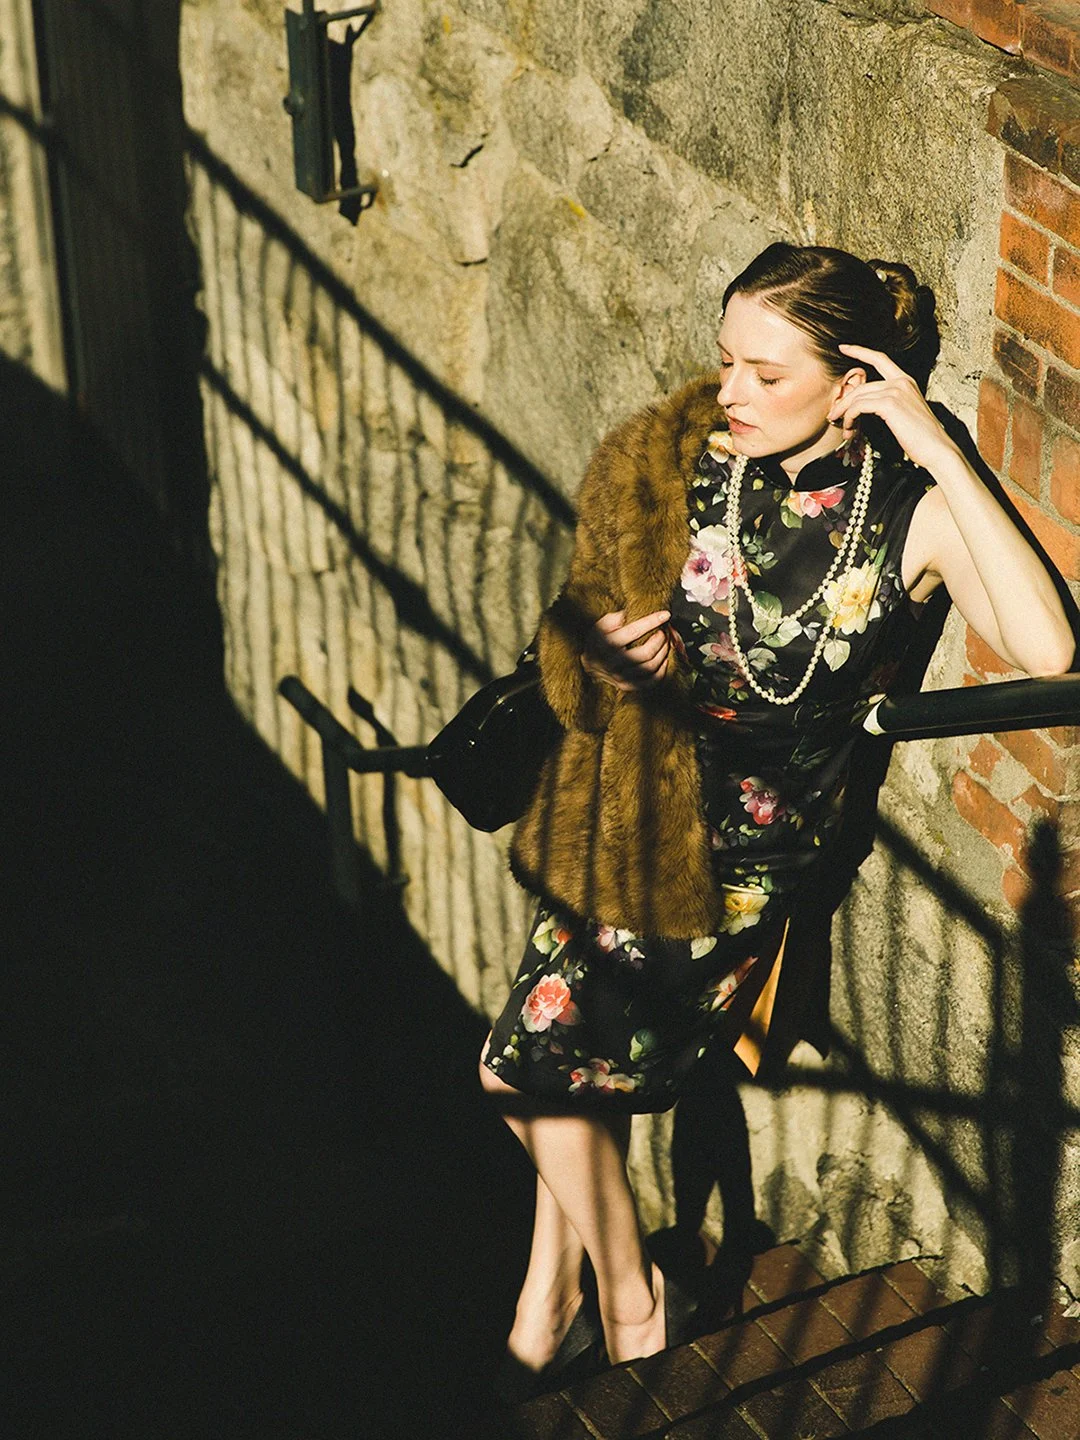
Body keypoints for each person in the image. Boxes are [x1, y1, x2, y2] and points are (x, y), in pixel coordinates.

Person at [477, 243, 1075, 1392]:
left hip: (743, 861)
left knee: (523, 1078)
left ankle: (628, 1300)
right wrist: (600, 648)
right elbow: (578, 610)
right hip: (625, 810)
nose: (730, 393)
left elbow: (1049, 650)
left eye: (763, 372)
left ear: (853, 384)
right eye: (724, 362)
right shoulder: (707, 467)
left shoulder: (912, 517)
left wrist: (939, 447)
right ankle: (559, 1280)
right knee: (556, 1073)